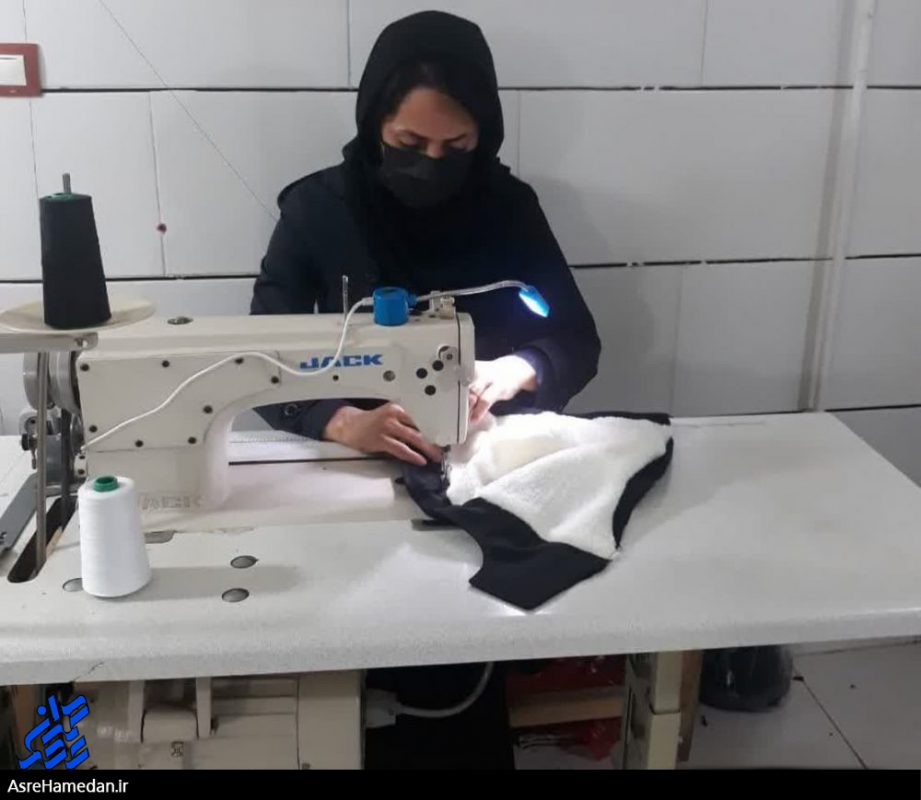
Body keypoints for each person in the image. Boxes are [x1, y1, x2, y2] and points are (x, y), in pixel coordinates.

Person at [251, 10, 600, 462]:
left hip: (485, 450)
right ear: (375, 124)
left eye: (456, 147)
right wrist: (339, 420)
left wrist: (520, 369)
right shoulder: (319, 209)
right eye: (410, 144)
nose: (431, 163)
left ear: (483, 135)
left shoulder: (509, 208)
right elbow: (260, 356)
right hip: (357, 455)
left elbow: (576, 340)